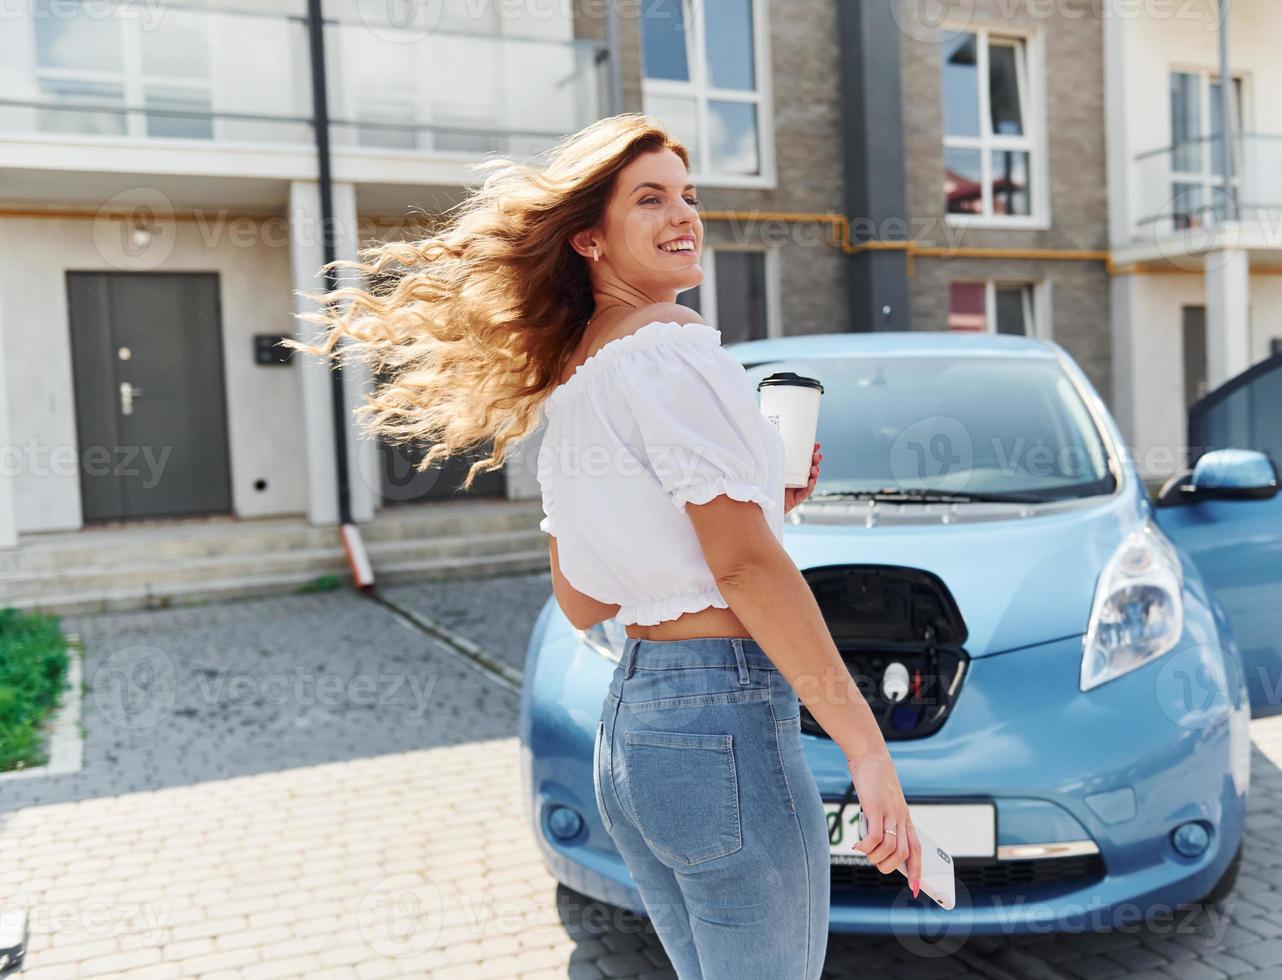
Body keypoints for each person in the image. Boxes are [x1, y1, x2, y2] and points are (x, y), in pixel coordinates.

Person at [285, 112, 921, 980]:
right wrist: (866, 748)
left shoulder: (577, 385)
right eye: (650, 199)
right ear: (588, 237)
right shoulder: (669, 347)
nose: (683, 215)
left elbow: (585, 597)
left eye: (690, 196)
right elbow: (742, 567)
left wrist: (763, 500)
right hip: (723, 721)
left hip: (637, 732)